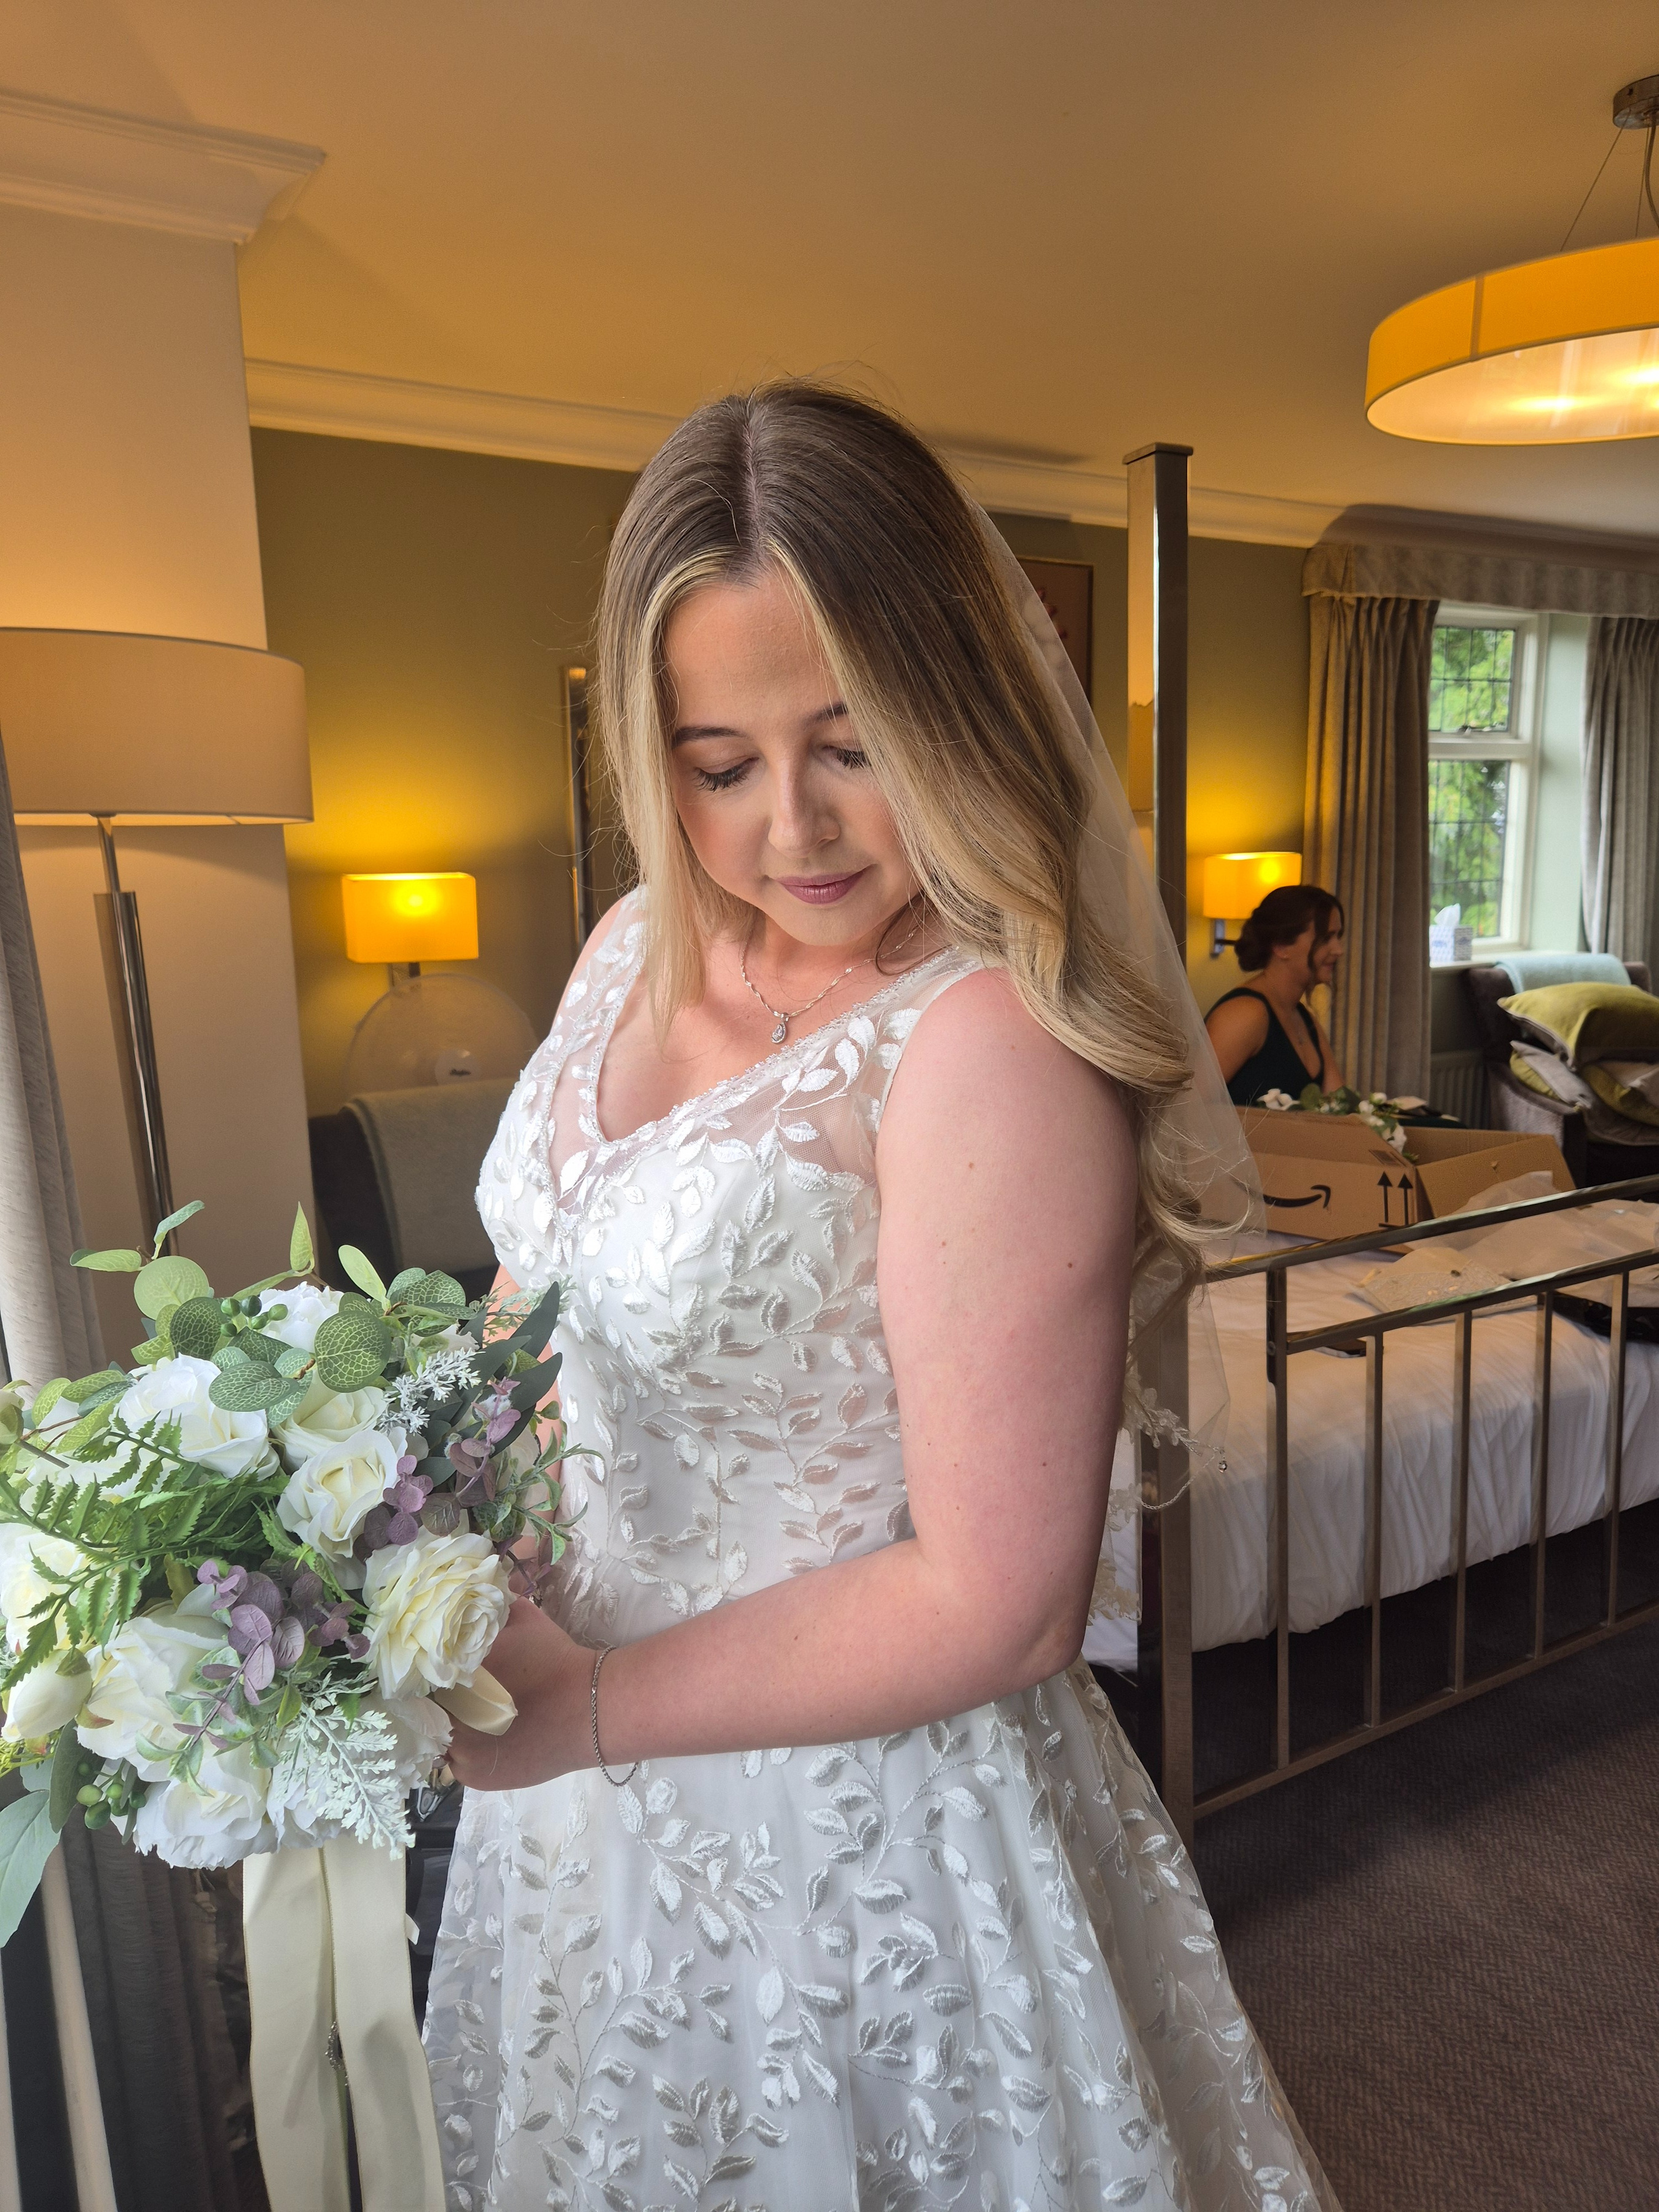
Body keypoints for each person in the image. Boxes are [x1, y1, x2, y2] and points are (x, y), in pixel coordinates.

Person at [422, 383, 1338, 2212]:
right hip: (573, 1788)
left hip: (842, 1827)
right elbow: (539, 1301)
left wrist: (581, 1710)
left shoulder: (988, 1045)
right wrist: (421, 1522)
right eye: (719, 760)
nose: (794, 829)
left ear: (957, 709)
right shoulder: (624, 949)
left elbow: (1002, 1603)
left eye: (855, 742)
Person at [1205, 886, 1346, 1108]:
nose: (1338, 950)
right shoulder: (1245, 1014)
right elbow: (1189, 1109)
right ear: (1281, 946)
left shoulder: (1305, 1020)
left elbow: (1342, 1111)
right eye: (1326, 938)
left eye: (1338, 937)